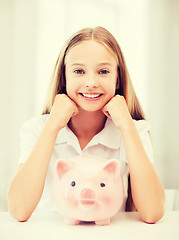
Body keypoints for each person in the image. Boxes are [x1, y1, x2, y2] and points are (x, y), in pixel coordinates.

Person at [8, 26, 165, 223]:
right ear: (64, 77)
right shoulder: (37, 129)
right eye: (79, 71)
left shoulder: (134, 131)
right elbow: (19, 210)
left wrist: (126, 125)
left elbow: (153, 213)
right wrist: (53, 125)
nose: (91, 82)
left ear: (118, 79)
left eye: (103, 71)